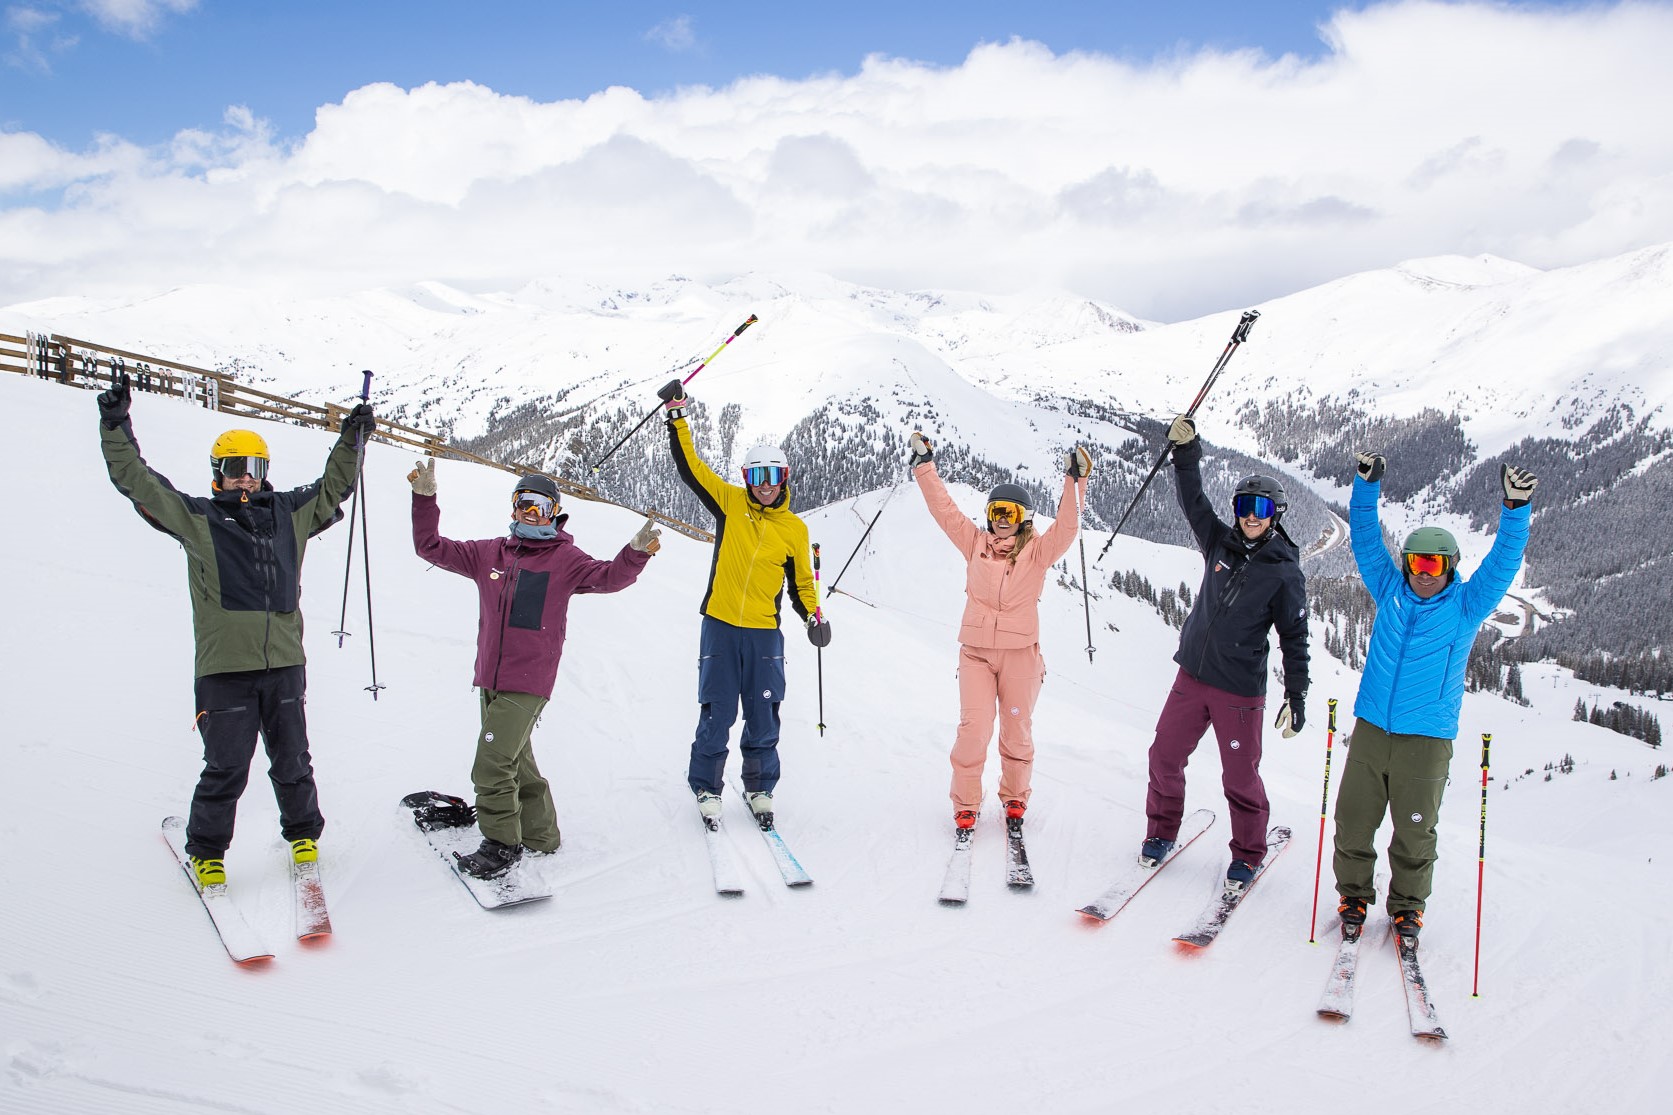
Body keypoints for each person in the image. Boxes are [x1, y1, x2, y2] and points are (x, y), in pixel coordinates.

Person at [96, 370, 373, 888]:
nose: (245, 478)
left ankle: (303, 835)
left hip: (285, 665)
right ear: (217, 474)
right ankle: (206, 851)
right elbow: (137, 480)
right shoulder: (197, 518)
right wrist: (116, 425)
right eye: (234, 469)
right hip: (225, 671)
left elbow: (334, 485)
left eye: (254, 468)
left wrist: (351, 438)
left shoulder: (289, 513)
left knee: (293, 759)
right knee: (226, 765)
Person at [409, 461, 660, 878]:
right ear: (512, 509)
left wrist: (634, 554)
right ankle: (541, 835)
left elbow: (609, 577)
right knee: (516, 758)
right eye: (523, 504)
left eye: (540, 506)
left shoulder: (564, 559)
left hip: (528, 683)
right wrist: (424, 498)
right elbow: (430, 547)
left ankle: (501, 844)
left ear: (555, 512)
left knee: (491, 763)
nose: (530, 513)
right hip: (490, 677)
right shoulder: (489, 553)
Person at [1333, 452, 1535, 939]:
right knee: (1353, 822)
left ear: (1450, 567)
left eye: (1434, 563)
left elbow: (1503, 562)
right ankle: (1354, 896)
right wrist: (1366, 487)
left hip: (1426, 738)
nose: (1424, 572)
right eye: (1416, 562)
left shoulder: (1466, 606)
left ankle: (1407, 906)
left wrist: (1515, 508)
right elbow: (1364, 539)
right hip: (1371, 728)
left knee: (1415, 832)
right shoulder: (1389, 589)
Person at [1141, 415, 1310, 893]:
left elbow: (1294, 639)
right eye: (1242, 505)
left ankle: (1248, 854)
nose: (1250, 515)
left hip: (1238, 691)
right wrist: (1187, 451)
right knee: (1163, 757)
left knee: (1239, 777)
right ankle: (1161, 832)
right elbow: (1192, 501)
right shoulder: (1221, 541)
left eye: (1259, 507)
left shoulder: (1284, 573)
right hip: (1192, 677)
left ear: (1275, 512)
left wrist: (1296, 697)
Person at [656, 380, 829, 825]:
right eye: (756, 476)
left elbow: (801, 586)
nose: (764, 486)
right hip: (719, 624)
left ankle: (759, 789)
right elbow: (692, 468)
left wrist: (813, 616)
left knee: (764, 712)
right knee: (717, 712)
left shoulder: (794, 530)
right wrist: (678, 415)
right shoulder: (730, 504)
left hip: (763, 632)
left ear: (784, 479)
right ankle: (707, 788)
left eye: (771, 477)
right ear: (746, 479)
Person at [909, 430, 1091, 833]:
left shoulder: (1038, 552)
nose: (1000, 520)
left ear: (1023, 516)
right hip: (975, 651)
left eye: (1008, 512)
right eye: (995, 512)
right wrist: (924, 466)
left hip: (1020, 654)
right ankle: (966, 804)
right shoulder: (975, 543)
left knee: (1016, 728)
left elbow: (1066, 527)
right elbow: (945, 510)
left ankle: (1014, 796)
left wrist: (1074, 480)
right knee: (973, 729)